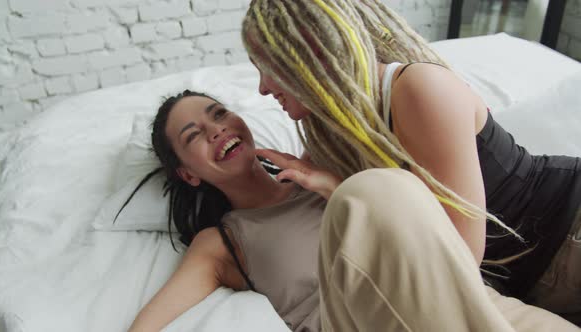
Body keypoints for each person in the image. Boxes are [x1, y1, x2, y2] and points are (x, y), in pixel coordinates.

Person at [242, 0, 581, 326]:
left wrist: (338, 189)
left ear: (312, 51)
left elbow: (460, 256)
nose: (262, 88)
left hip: (566, 233)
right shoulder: (329, 131)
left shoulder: (419, 89)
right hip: (528, 280)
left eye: (266, 67)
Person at [126, 90, 577, 331]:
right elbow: (146, 326)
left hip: (469, 299)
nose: (217, 129)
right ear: (188, 175)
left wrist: (334, 185)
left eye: (218, 113)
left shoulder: (324, 163)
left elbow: (425, 222)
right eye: (194, 135)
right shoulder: (221, 243)